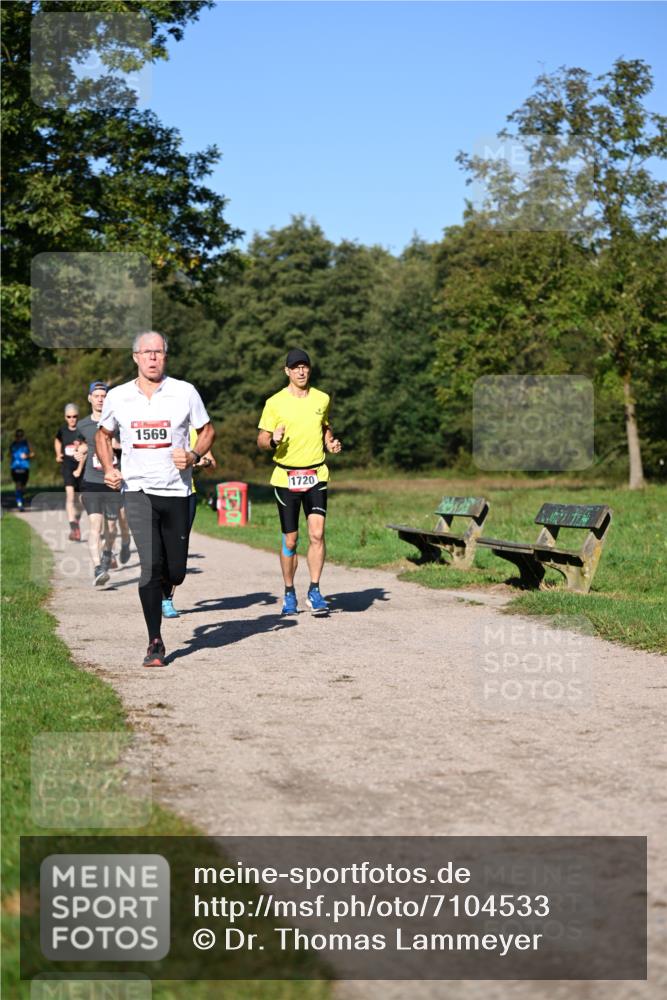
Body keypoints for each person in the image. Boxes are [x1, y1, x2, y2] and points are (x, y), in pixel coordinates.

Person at [96, 331, 215, 667]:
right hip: (137, 490)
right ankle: (155, 641)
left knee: (175, 570)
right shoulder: (118, 397)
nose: (152, 358)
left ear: (166, 356)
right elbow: (104, 436)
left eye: (158, 352)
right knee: (150, 565)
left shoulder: (184, 392)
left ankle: (169, 585)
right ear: (135, 357)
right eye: (146, 352)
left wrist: (192, 455)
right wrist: (109, 468)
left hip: (177, 490)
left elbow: (207, 431)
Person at [257, 347, 341, 615]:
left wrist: (330, 441)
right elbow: (261, 439)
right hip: (286, 476)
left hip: (316, 474)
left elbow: (325, 426)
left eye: (305, 366)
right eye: (295, 367)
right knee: (291, 540)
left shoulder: (322, 398)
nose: (301, 371)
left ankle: (315, 591)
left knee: (317, 534)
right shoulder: (274, 402)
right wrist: (273, 440)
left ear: (310, 369)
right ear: (287, 371)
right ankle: (289, 592)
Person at [161, 427, 216, 619]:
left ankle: (167, 598)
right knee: (158, 547)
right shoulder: (155, 424)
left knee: (177, 547)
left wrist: (203, 462)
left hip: (184, 494)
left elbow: (211, 463)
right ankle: (156, 592)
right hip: (154, 493)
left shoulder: (193, 431)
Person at [75, 381, 124, 586]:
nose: (101, 399)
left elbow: (128, 446)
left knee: (111, 529)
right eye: (97, 395)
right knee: (95, 525)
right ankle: (97, 568)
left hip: (112, 482)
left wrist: (114, 445)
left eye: (104, 395)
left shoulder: (118, 422)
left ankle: (106, 554)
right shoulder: (83, 425)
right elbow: (81, 446)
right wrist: (81, 452)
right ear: (90, 398)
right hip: (92, 482)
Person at [54, 403, 84, 540]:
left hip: (82, 468)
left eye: (74, 416)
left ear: (78, 416)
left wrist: (79, 468)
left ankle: (76, 521)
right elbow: (57, 440)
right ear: (65, 417)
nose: (72, 419)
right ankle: (74, 528)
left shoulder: (82, 429)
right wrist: (58, 453)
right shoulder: (62, 430)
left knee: (81, 500)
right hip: (67, 466)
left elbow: (87, 448)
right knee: (70, 496)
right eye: (69, 417)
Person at [8, 429, 35, 511]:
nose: (19, 437)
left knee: (23, 487)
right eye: (17, 436)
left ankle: (21, 499)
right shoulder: (12, 444)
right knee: (18, 484)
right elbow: (9, 455)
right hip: (15, 468)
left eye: (20, 436)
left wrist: (27, 456)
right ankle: (19, 503)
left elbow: (33, 454)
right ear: (15, 436)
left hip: (24, 467)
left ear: (23, 436)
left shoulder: (27, 444)